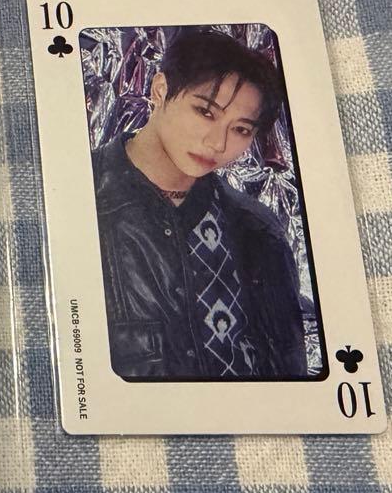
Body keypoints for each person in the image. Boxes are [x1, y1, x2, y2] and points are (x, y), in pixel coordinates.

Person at [91, 28, 308, 380]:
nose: (217, 142)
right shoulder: (82, 197)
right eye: (205, 112)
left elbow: (289, 370)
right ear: (160, 90)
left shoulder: (257, 229)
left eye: (241, 129)